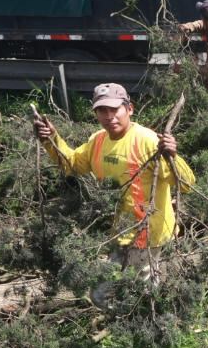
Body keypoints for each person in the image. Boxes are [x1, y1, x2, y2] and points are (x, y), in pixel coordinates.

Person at [33, 83, 196, 270]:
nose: (109, 116)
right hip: (119, 232)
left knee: (120, 286)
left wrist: (172, 155)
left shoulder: (148, 141)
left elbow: (186, 184)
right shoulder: (98, 141)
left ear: (129, 109)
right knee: (123, 284)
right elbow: (73, 164)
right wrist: (50, 139)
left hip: (148, 234)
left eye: (114, 109)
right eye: (102, 110)